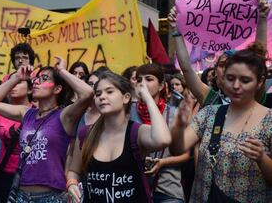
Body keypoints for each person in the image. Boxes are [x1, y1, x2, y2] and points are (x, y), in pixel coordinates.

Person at [0, 56, 93, 202]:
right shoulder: (26, 113)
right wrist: (17, 77)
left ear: (58, 88)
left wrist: (62, 71)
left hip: (51, 197)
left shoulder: (64, 115)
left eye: (44, 78)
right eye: (36, 79)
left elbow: (88, 93)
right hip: (21, 195)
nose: (36, 82)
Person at [171, 43, 272, 202]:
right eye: (230, 78)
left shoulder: (269, 120)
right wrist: (179, 125)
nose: (236, 86)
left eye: (245, 80)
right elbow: (178, 148)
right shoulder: (209, 113)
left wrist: (262, 158)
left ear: (259, 82)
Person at [66, 71, 172, 203]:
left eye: (109, 92)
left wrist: (147, 97)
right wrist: (71, 184)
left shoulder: (136, 132)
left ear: (126, 98)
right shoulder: (85, 134)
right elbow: (74, 171)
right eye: (98, 94)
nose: (102, 97)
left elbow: (163, 139)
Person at [168, 0, 270, 107]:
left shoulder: (253, 96)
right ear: (215, 73)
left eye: (232, 65)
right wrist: (177, 30)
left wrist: (262, 18)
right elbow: (187, 69)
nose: (228, 69)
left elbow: (259, 58)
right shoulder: (212, 100)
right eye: (223, 65)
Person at [132, 64, 188, 203]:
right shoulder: (127, 113)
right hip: (134, 188)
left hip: (167, 189)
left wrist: (163, 162)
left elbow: (186, 155)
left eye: (149, 79)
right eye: (139, 80)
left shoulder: (174, 114)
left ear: (161, 85)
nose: (143, 84)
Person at [0, 74, 32, 202]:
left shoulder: (36, 113)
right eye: (11, 82)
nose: (14, 85)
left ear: (30, 89)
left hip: (28, 174)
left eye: (19, 82)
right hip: (3, 171)